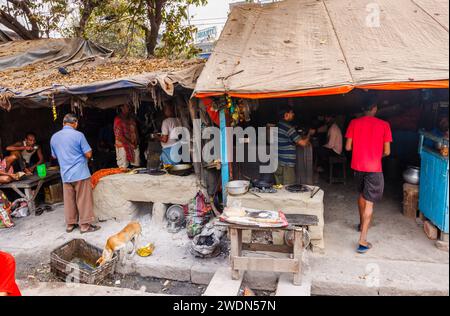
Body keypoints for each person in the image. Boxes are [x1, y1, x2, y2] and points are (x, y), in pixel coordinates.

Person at [345, 102, 392, 254]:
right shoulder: (384, 124)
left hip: (358, 166)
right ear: (375, 109)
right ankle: (363, 240)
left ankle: (361, 224)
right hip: (374, 168)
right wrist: (376, 156)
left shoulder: (354, 123)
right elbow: (387, 151)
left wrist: (360, 151)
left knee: (362, 195)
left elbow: (347, 147)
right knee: (369, 203)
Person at [50, 113, 100, 234]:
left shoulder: (54, 137)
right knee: (83, 199)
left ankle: (70, 224)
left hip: (65, 175)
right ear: (75, 123)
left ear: (63, 123)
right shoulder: (78, 135)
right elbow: (88, 154)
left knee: (69, 200)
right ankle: (84, 226)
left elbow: (53, 156)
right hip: (80, 173)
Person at [275, 108, 312, 185]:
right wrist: (309, 134)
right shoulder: (288, 127)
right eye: (291, 112)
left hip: (278, 162)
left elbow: (285, 141)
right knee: (288, 187)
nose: (293, 114)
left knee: (279, 187)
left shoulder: (278, 125)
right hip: (287, 163)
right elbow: (303, 143)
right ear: (286, 114)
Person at [114, 104, 140, 169]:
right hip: (123, 147)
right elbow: (119, 136)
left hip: (134, 146)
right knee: (123, 168)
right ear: (122, 107)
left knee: (136, 167)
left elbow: (135, 131)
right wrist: (130, 144)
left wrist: (136, 141)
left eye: (130, 106)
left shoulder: (131, 119)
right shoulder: (118, 119)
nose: (130, 108)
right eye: (127, 106)